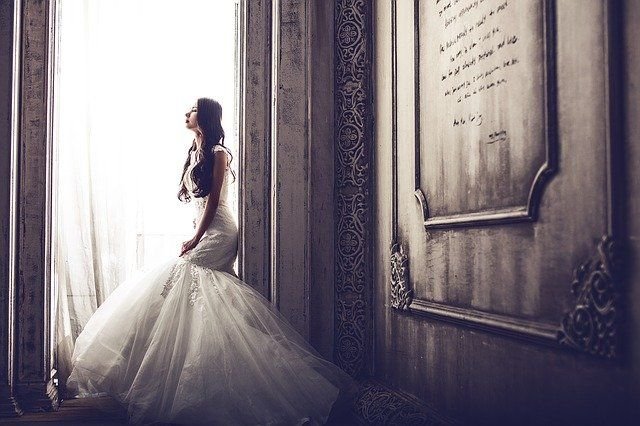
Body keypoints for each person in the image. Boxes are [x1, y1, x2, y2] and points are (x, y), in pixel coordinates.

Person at [66, 97, 356, 425]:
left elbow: (214, 200)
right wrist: (193, 231)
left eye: (191, 109)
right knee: (193, 296)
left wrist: (195, 238)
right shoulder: (195, 151)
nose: (185, 113)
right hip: (204, 228)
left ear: (203, 116)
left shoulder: (219, 153)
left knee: (181, 274)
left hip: (219, 231)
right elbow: (197, 201)